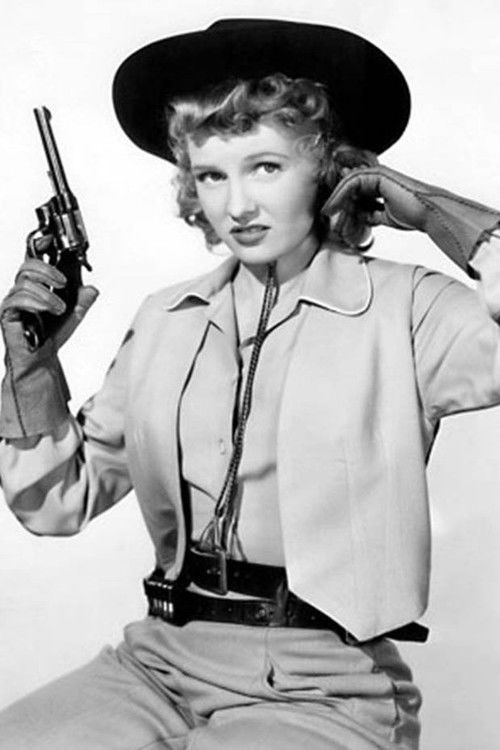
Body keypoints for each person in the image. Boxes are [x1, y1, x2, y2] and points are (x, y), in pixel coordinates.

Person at [0, 17, 499, 750]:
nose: (236, 205)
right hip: (159, 662)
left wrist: (443, 217)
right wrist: (30, 366)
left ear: (328, 170)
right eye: (212, 175)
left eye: (265, 167)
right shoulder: (166, 318)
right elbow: (57, 506)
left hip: (325, 685)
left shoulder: (408, 309)